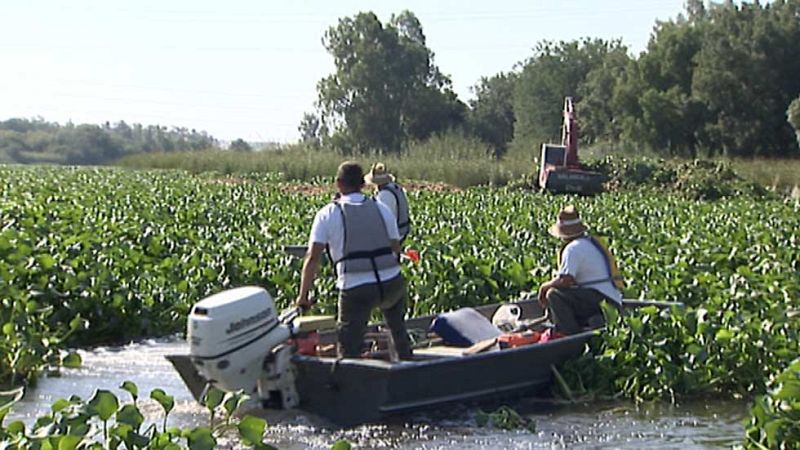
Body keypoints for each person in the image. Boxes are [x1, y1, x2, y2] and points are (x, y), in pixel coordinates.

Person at [295, 161, 413, 360]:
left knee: (349, 346)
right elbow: (395, 247)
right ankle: (408, 363)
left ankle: (351, 379)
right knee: (398, 331)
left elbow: (312, 257)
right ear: (363, 184)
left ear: (338, 184)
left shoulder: (328, 213)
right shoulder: (381, 208)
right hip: (391, 284)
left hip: (356, 288)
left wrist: (303, 297)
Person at [537, 205, 624, 335]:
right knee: (563, 295)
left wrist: (544, 287)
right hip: (612, 300)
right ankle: (588, 322)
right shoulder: (589, 242)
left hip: (602, 302)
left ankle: (569, 334)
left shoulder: (573, 248)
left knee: (553, 294)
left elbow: (566, 280)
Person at [365, 162, 411, 243]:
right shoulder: (395, 188)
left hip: (395, 236)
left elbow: (384, 222)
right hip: (402, 231)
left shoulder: (384, 196)